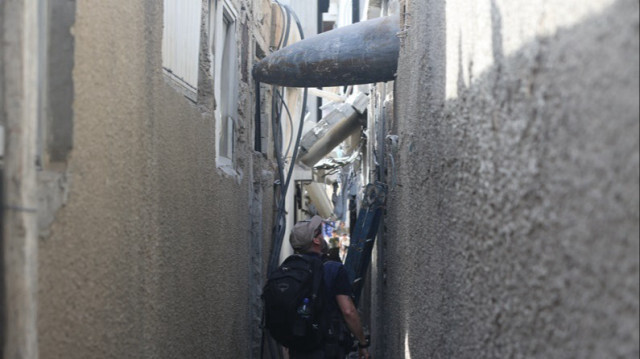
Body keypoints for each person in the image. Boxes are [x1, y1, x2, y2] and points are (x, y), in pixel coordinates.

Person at [288, 216, 371, 359]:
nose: (323, 235)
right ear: (316, 240)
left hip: (298, 349)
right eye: (320, 232)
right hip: (328, 348)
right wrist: (362, 343)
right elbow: (348, 311)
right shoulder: (333, 269)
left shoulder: (289, 271)